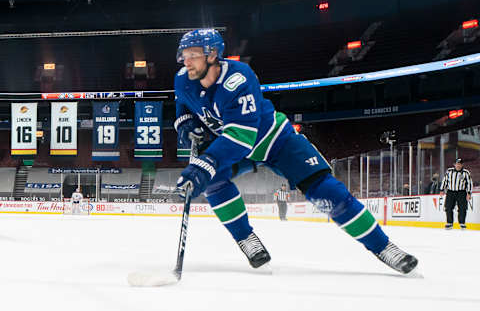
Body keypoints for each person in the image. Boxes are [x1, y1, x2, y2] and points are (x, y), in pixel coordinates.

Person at [174, 29, 418, 274]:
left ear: (213, 54)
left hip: (274, 140)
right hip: (233, 145)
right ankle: (245, 237)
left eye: (193, 55)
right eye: (184, 55)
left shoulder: (238, 78)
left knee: (326, 190)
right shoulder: (183, 78)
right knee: (212, 181)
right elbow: (182, 102)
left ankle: (383, 246)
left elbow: (241, 138)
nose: (186, 61)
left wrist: (205, 163)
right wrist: (184, 121)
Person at [440, 159, 473, 230]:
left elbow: (469, 183)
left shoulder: (466, 172)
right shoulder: (449, 171)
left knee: (462, 208)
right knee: (448, 207)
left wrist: (469, 193)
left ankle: (462, 223)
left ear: (462, 165)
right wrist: (442, 189)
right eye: (457, 164)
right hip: (450, 192)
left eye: (460, 164)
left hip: (461, 192)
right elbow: (445, 180)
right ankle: (449, 223)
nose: (458, 165)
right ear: (454, 164)